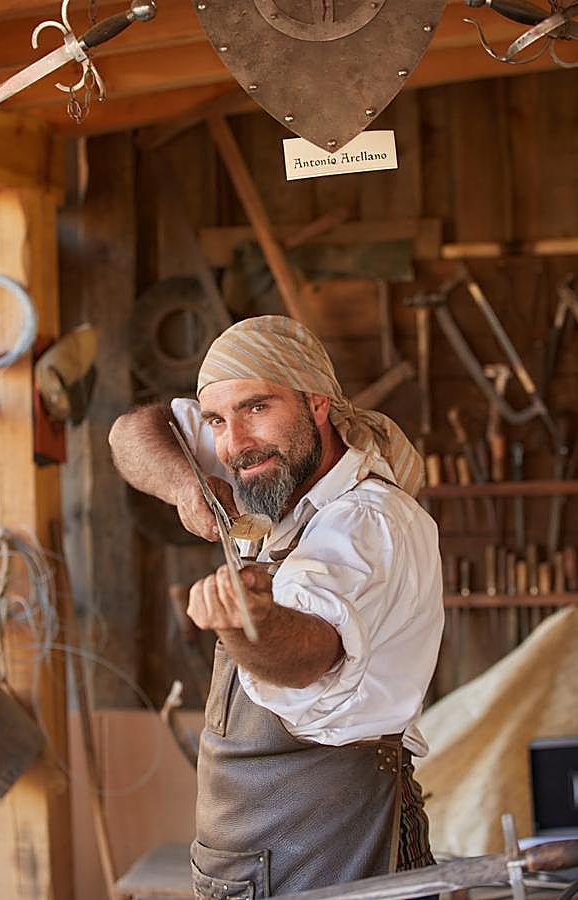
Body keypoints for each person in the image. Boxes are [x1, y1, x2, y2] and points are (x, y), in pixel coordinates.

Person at [109, 315, 444, 899]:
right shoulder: (266, 466)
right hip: (250, 868)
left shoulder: (366, 521)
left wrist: (247, 627)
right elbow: (131, 432)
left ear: (317, 402)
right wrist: (186, 486)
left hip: (338, 853)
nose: (234, 444)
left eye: (257, 408)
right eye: (216, 419)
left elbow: (310, 654)